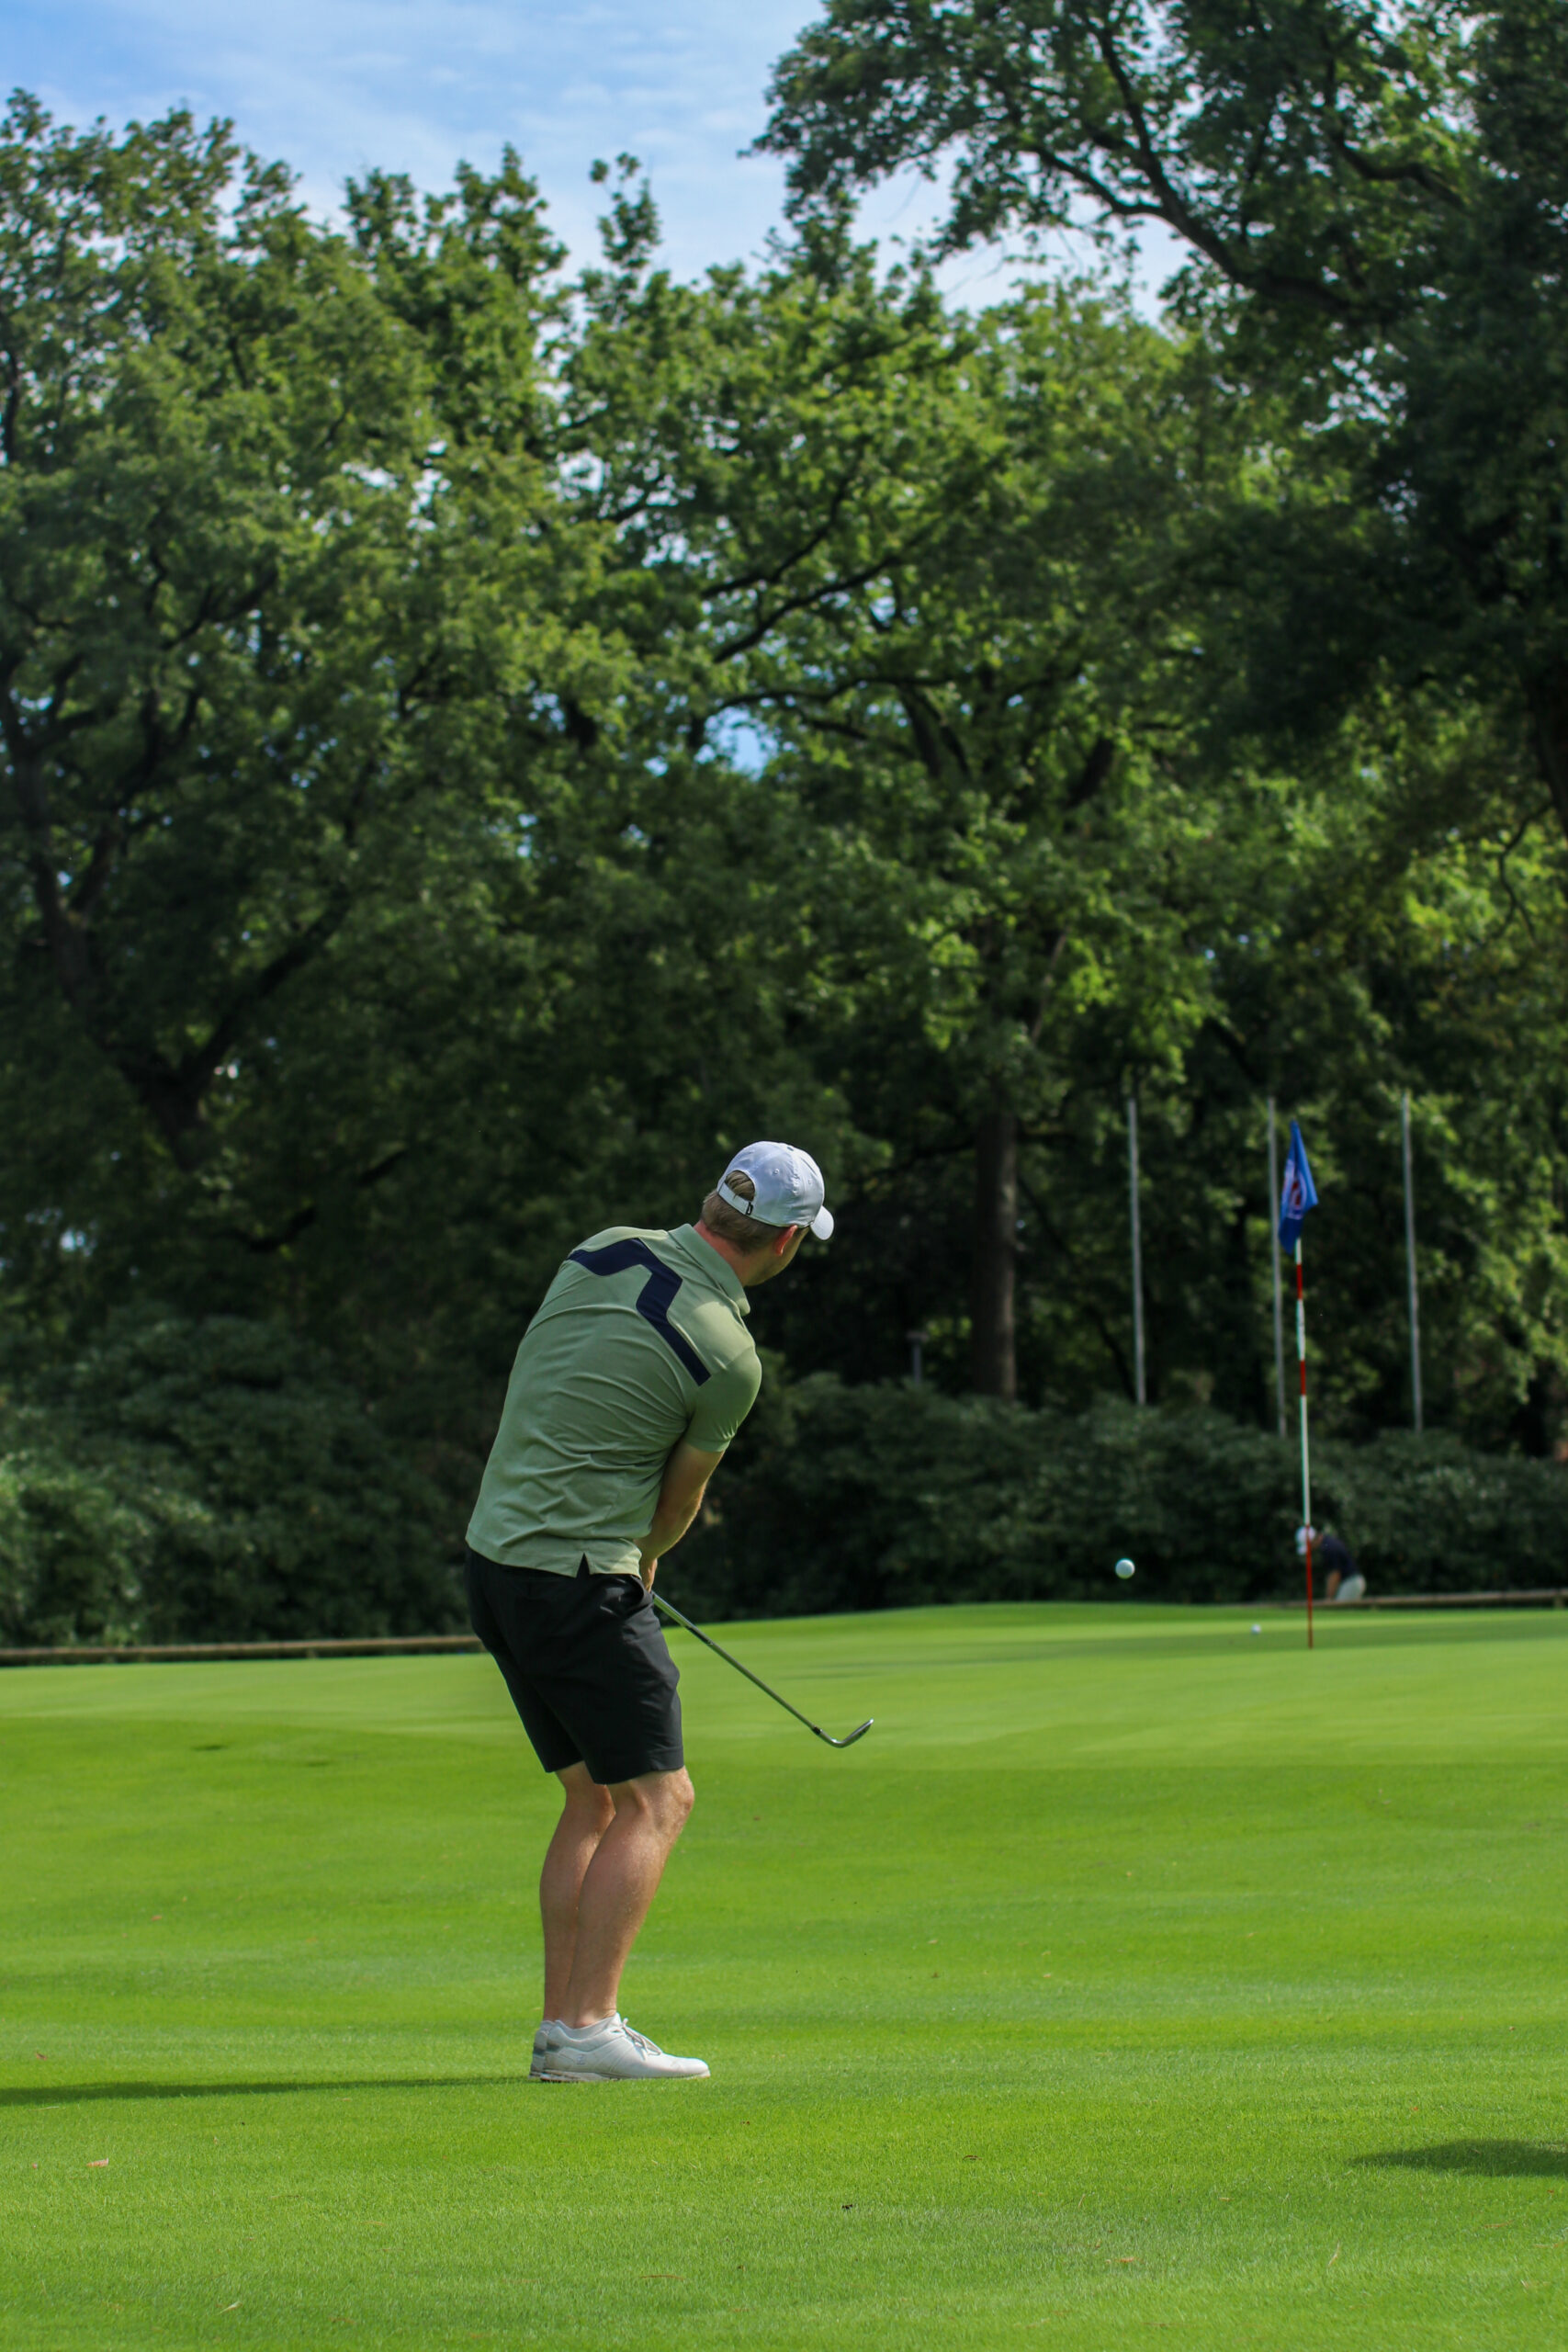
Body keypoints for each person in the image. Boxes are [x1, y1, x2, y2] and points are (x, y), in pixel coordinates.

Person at [465, 1141, 832, 2084]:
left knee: (593, 1797)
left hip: (495, 1563)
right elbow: (676, 1504)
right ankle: (589, 2026)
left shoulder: (601, 1248)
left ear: (712, 1199)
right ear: (786, 1242)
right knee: (658, 1799)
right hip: (580, 1579)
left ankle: (563, 2030)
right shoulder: (730, 1355)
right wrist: (646, 1558)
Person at [1296, 1522, 1366, 1603]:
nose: (1311, 1549)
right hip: (1352, 1581)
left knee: (1338, 1608)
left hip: (1351, 1582)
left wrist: (1329, 1598)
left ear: (1312, 1540)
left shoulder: (1329, 1548)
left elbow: (1335, 1574)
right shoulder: (1327, 1543)